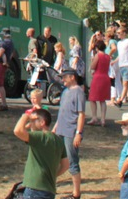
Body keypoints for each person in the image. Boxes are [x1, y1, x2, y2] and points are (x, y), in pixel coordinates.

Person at [14, 107, 69, 199]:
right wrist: (52, 175)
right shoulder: (58, 140)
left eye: (33, 120)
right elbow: (66, 165)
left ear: (42, 122)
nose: (30, 123)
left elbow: (18, 131)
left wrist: (26, 115)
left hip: (34, 190)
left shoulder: (40, 137)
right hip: (49, 190)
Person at [53, 68, 86, 199]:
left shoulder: (78, 92)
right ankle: (52, 186)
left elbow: (81, 114)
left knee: (72, 161)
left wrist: (78, 133)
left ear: (72, 77)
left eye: (64, 77)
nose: (62, 80)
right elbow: (62, 111)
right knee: (57, 160)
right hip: (60, 130)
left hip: (70, 132)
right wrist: (56, 126)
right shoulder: (65, 92)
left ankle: (76, 193)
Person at [89, 40, 111, 125]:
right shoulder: (107, 56)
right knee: (102, 100)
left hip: (98, 77)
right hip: (105, 77)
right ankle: (103, 119)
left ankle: (94, 117)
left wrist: (92, 60)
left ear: (97, 48)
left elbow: (93, 66)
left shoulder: (98, 55)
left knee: (92, 98)